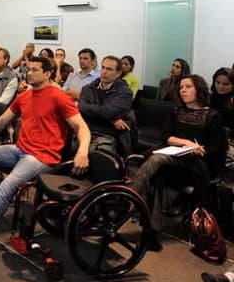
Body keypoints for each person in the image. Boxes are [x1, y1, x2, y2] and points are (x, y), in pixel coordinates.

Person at [0, 56, 91, 257]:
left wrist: (82, 152)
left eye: (35, 70)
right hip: (20, 150)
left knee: (6, 186)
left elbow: (82, 127)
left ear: (47, 73)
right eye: (28, 69)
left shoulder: (58, 97)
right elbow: (2, 120)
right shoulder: (25, 96)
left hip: (42, 158)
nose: (29, 73)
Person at [131, 74, 226, 251]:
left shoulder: (212, 116)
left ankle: (131, 196)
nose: (183, 90)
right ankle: (150, 232)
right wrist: (186, 143)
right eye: (181, 87)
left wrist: (195, 148)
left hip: (196, 165)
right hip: (174, 159)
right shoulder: (176, 111)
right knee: (157, 176)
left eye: (188, 86)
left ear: (199, 89)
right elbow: (166, 136)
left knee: (156, 160)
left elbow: (214, 149)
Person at [79, 56, 135, 156]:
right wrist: (111, 119)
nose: (104, 72)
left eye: (109, 69)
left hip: (108, 135)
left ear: (118, 73)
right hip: (86, 131)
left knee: (94, 155)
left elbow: (108, 112)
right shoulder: (88, 88)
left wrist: (105, 114)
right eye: (103, 67)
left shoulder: (125, 92)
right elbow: (82, 108)